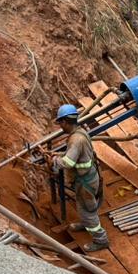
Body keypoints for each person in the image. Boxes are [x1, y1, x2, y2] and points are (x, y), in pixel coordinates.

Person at [52, 104, 109, 252]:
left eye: (60, 123)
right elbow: (74, 155)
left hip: (85, 183)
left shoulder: (76, 140)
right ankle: (86, 224)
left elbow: (68, 163)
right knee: (84, 207)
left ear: (65, 122)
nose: (60, 126)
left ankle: (100, 239)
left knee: (87, 211)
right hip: (87, 179)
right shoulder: (80, 132)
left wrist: (56, 161)